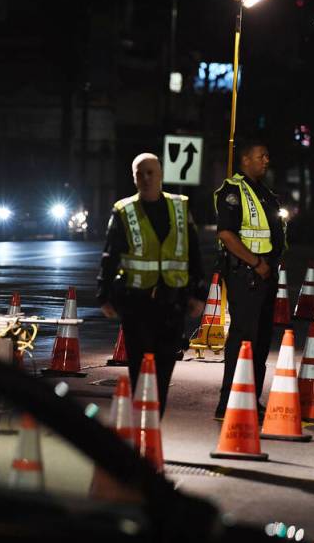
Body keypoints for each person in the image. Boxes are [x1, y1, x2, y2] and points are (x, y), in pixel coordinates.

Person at [97, 152, 207, 417]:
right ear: (134, 178)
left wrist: (199, 294)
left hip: (172, 303)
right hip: (136, 302)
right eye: (140, 173)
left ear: (160, 176)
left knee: (165, 363)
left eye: (151, 173)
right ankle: (140, 418)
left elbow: (194, 253)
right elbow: (110, 256)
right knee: (139, 365)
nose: (146, 178)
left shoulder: (180, 207)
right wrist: (104, 296)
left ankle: (154, 419)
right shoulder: (124, 210)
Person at [213, 139, 287, 420]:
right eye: (261, 156)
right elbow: (226, 234)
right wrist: (256, 263)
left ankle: (249, 398)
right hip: (247, 275)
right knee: (243, 338)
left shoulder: (264, 192)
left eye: (267, 156)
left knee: (261, 339)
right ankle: (228, 401)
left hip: (265, 274)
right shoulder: (233, 191)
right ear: (246, 160)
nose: (266, 161)